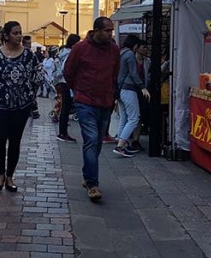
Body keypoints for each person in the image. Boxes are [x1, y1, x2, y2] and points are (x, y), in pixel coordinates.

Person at [0, 21, 42, 193]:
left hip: (21, 105)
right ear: (6, 35)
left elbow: (38, 75)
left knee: (15, 142)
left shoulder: (28, 55)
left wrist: (29, 93)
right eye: (15, 33)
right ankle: (0, 174)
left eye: (20, 33)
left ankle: (10, 176)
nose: (19, 36)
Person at [63, 17, 120, 201]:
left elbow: (114, 73)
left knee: (97, 143)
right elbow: (68, 72)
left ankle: (88, 175)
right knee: (91, 139)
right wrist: (78, 90)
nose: (110, 34)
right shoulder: (80, 49)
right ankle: (93, 184)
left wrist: (112, 94)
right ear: (96, 30)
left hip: (105, 101)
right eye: (107, 30)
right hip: (85, 100)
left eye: (111, 30)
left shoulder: (113, 49)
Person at [114, 34, 150, 157]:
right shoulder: (129, 55)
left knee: (124, 118)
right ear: (134, 45)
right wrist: (142, 87)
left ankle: (121, 144)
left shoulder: (121, 53)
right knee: (134, 118)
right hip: (129, 89)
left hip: (120, 89)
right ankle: (120, 146)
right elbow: (134, 73)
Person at [54, 34, 81, 142]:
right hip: (66, 82)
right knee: (66, 107)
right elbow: (67, 68)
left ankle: (62, 132)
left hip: (61, 81)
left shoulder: (62, 52)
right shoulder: (69, 53)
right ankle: (63, 133)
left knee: (65, 107)